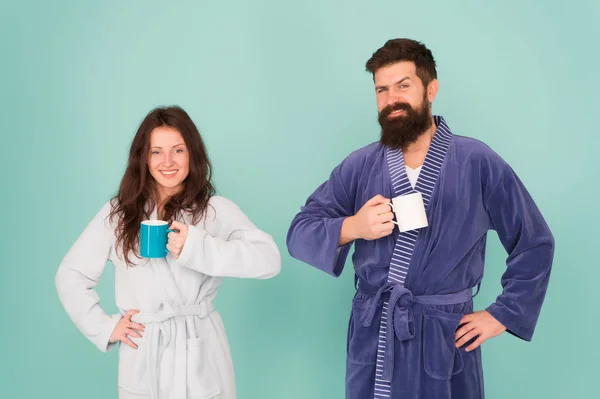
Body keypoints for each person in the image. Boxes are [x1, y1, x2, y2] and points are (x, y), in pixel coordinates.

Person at [286, 38, 554, 399]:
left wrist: (503, 314)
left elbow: (534, 242)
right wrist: (353, 228)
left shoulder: (477, 162)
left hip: (445, 335)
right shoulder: (360, 165)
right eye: (381, 89)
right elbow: (299, 231)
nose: (391, 98)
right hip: (376, 332)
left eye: (403, 85)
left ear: (431, 89)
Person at [55, 105, 281, 399]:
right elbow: (70, 276)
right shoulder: (119, 214)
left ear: (192, 154)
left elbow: (268, 259)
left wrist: (199, 248)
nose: (168, 161)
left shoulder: (214, 211)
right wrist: (105, 327)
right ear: (144, 158)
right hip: (146, 351)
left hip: (201, 349)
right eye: (156, 152)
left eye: (178, 150)